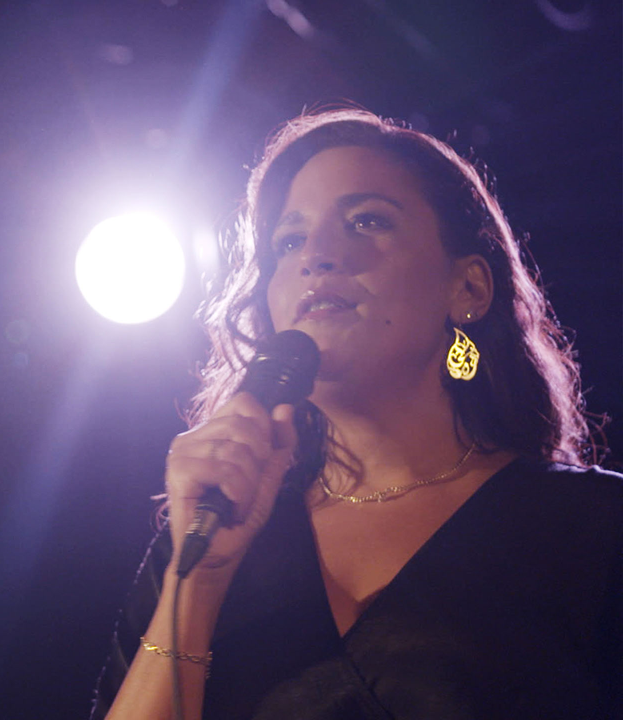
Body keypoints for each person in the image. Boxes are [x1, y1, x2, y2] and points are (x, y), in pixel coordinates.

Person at [90, 108, 622, 719]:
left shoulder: (592, 527)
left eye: (367, 221)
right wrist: (201, 584)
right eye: (288, 241)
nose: (314, 256)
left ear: (468, 289)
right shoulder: (209, 533)